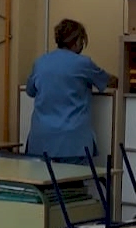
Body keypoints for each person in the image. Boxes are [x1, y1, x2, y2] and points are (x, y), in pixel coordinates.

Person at [25, 19, 119, 165]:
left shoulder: (40, 63)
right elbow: (108, 81)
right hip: (73, 144)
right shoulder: (83, 64)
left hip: (41, 142)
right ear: (76, 41)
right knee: (75, 180)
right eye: (82, 41)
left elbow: (30, 91)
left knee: (43, 179)